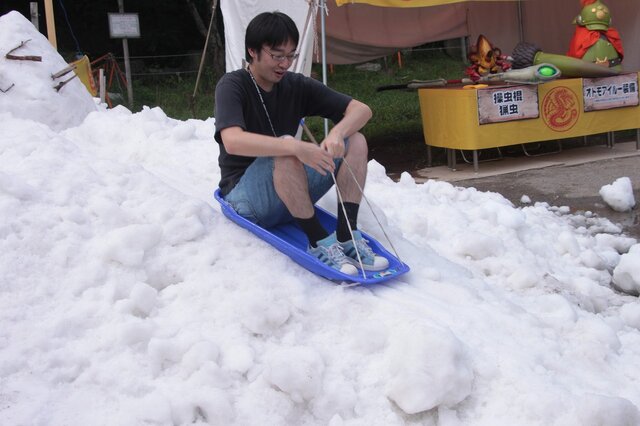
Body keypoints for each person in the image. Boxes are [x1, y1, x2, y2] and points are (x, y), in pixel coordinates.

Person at [214, 11, 388, 275]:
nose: (285, 63)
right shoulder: (233, 85)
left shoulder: (295, 85)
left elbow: (361, 110)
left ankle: (347, 233)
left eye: (290, 55)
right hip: (245, 199)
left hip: (289, 192)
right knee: (286, 146)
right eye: (276, 55)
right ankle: (317, 241)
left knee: (357, 140)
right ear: (252, 51)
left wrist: (337, 133)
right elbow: (232, 141)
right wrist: (295, 146)